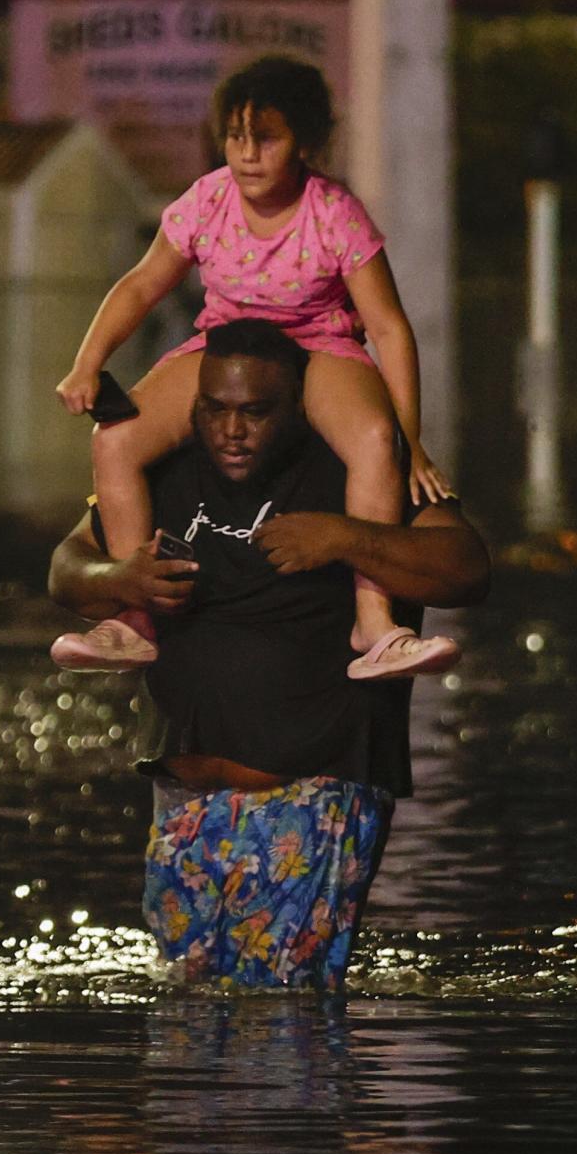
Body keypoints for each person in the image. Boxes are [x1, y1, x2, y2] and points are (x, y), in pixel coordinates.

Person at [48, 319, 490, 989]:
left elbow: (464, 566)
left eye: (256, 413)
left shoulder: (359, 471)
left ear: (299, 410)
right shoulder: (163, 469)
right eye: (215, 410)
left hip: (311, 794)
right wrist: (120, 581)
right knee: (188, 1004)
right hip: (185, 802)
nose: (233, 430)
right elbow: (67, 565)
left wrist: (346, 539)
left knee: (282, 1018)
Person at [52, 54, 456, 681]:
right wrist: (87, 363)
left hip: (316, 345)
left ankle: (374, 621)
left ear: (305, 141)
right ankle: (134, 618)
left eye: (266, 137)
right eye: (236, 137)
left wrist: (412, 440)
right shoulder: (207, 200)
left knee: (376, 442)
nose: (247, 154)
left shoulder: (334, 211)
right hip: (227, 347)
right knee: (116, 438)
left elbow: (387, 327)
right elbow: (139, 286)